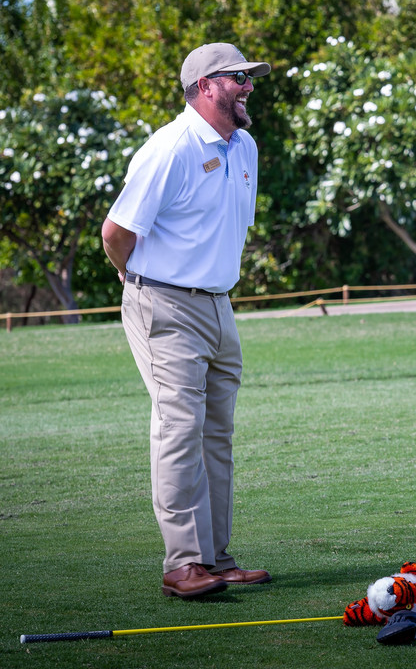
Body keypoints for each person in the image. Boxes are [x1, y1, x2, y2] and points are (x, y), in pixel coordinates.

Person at [102, 43, 273, 597]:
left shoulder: (244, 146)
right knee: (179, 427)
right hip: (166, 305)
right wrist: (136, 280)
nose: (248, 86)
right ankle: (183, 564)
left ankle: (216, 557)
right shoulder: (169, 148)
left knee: (216, 433)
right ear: (204, 86)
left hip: (220, 306)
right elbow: (116, 233)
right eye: (238, 78)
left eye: (250, 78)